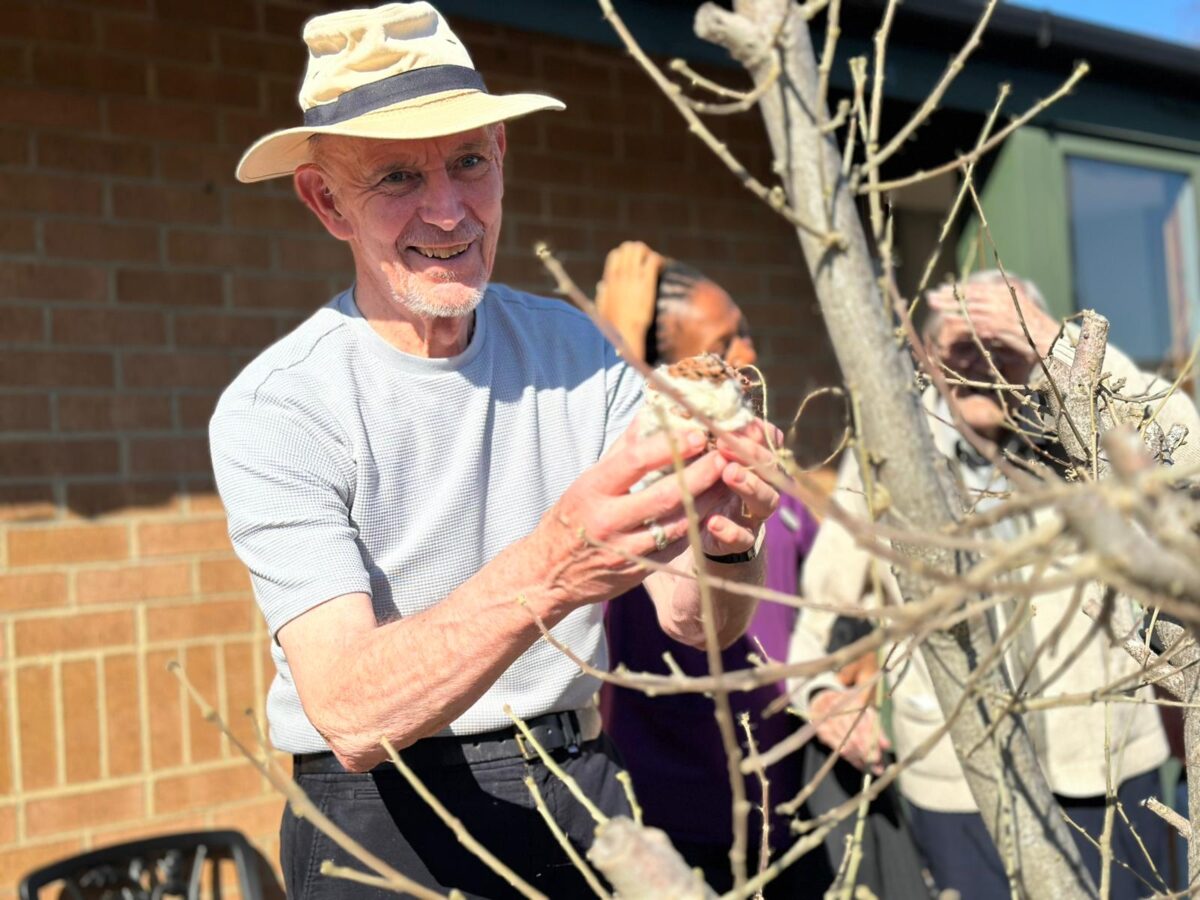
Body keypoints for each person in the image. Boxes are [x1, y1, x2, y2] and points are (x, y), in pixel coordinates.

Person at [208, 5, 781, 898]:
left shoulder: (578, 351)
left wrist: (727, 538)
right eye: (397, 175)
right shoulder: (279, 406)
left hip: (580, 779)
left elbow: (694, 622)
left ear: (502, 156)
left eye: (468, 161)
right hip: (380, 823)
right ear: (325, 201)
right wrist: (556, 566)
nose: (448, 210)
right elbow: (353, 715)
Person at [789, 270, 1200, 899]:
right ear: (926, 360)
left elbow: (1186, 456)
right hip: (960, 787)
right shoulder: (891, 451)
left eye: (998, 343)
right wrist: (821, 694)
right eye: (958, 348)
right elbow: (825, 600)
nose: (978, 364)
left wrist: (1054, 347)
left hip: (1111, 774)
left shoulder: (1082, 429)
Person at [594, 241, 832, 894]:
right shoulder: (650, 481)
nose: (748, 357)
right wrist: (616, 346)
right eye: (724, 349)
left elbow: (832, 594)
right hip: (678, 800)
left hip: (784, 788)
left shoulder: (768, 477)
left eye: (746, 333)